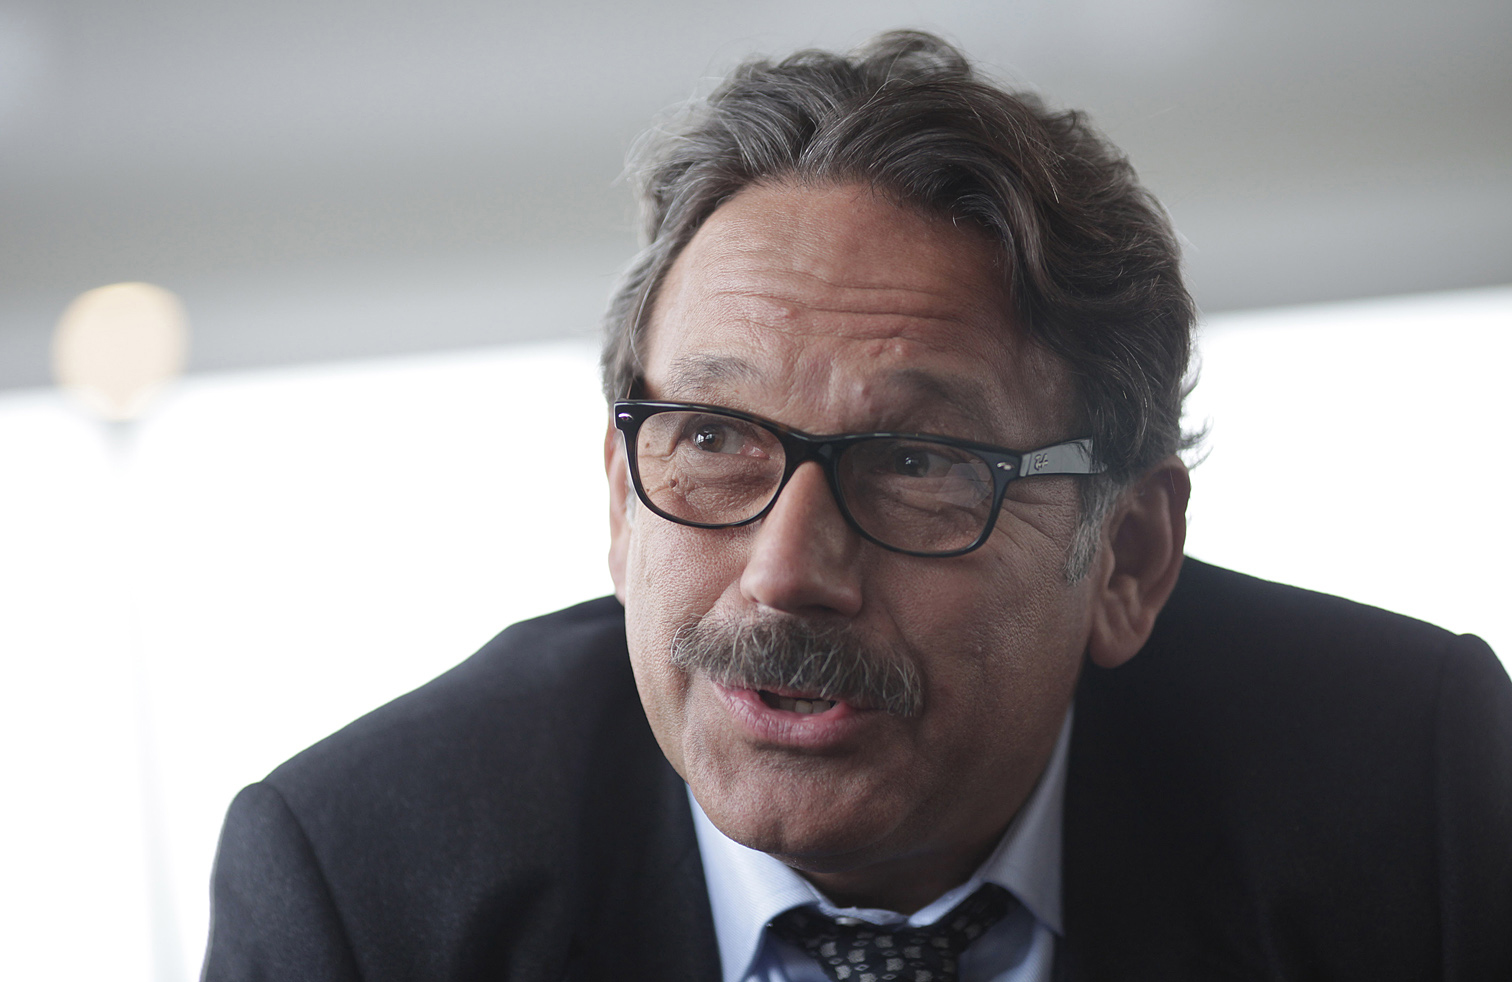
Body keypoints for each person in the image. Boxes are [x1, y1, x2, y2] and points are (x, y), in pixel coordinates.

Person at [201, 31, 1511, 982]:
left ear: (1126, 554)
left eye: (919, 462)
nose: (785, 572)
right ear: (619, 504)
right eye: (711, 438)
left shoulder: (1417, 793)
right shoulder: (365, 885)